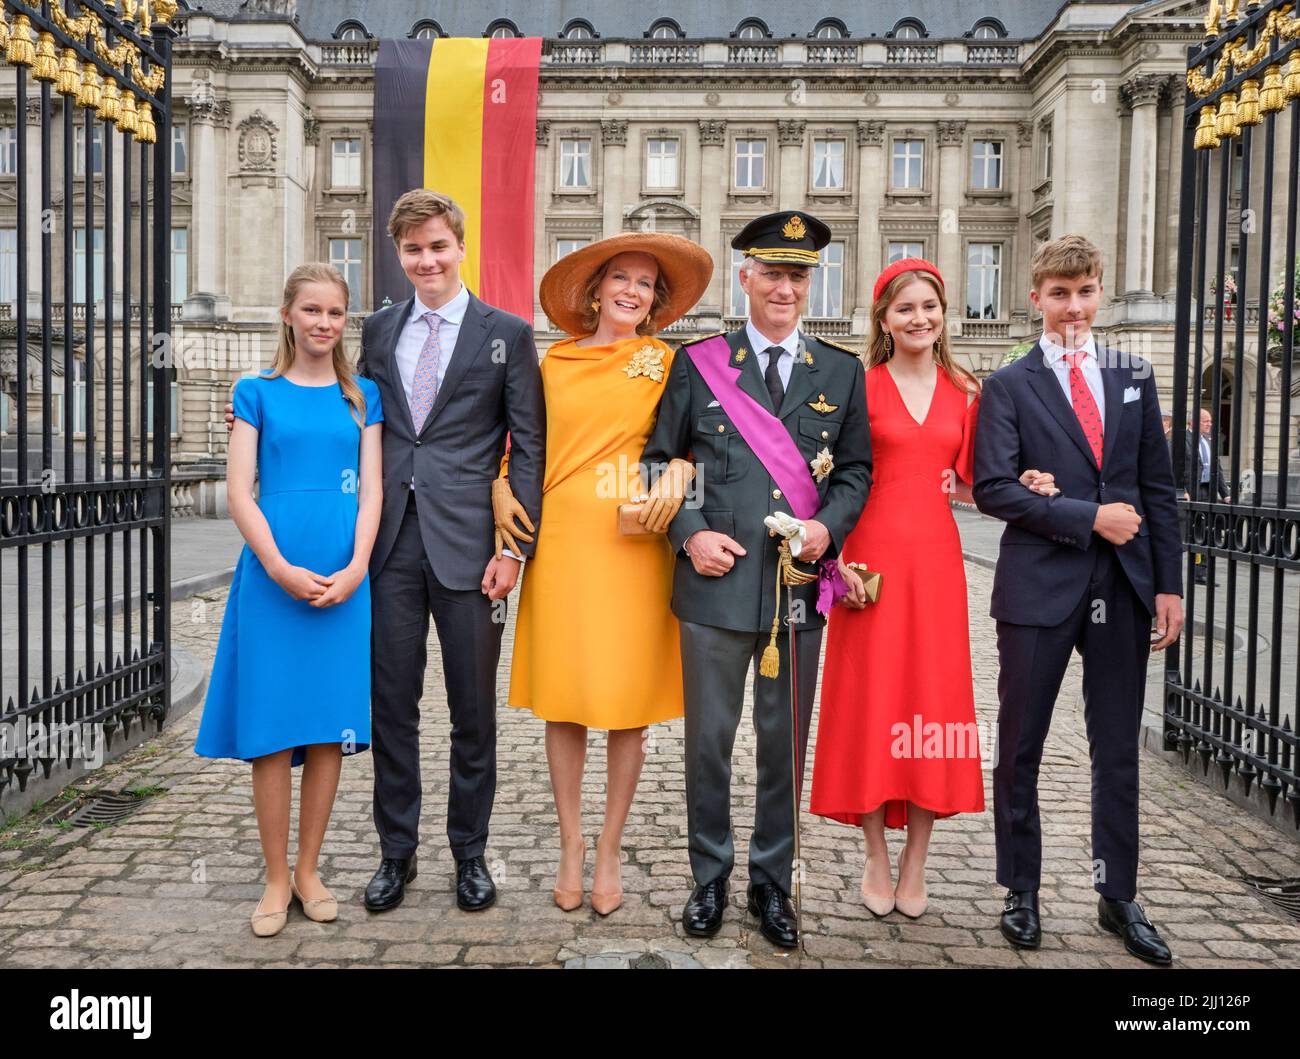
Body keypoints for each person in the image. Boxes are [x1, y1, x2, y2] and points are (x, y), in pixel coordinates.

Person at [224, 189, 546, 915]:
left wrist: (515, 550)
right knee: (390, 709)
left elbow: (527, 447)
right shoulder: (378, 330)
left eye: (437, 245)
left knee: (472, 711)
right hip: (389, 547)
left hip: (473, 551)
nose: (426, 259)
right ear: (398, 255)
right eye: (412, 249)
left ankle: (471, 854)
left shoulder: (508, 333)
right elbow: (342, 411)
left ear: (459, 246)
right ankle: (394, 853)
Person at [640, 211, 872, 949]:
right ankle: (709, 875)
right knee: (708, 743)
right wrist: (688, 532)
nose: (784, 286)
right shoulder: (699, 361)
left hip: (798, 588)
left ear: (813, 283)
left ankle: (772, 880)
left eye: (797, 274)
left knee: (783, 745)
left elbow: (859, 469)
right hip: (711, 589)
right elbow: (655, 462)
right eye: (771, 272)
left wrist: (827, 527)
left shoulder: (841, 371)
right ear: (745, 278)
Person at [810, 259, 1057, 918]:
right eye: (906, 309)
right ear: (884, 320)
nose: (920, 318)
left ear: (942, 313)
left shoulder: (966, 391)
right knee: (868, 702)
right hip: (868, 568)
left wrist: (1023, 483)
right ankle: (874, 855)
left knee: (930, 707)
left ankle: (916, 861)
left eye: (930, 307)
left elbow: (980, 481)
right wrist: (834, 568)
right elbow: (828, 487)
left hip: (937, 569)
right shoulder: (857, 388)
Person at [973, 234, 1184, 965]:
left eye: (1085, 291)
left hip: (1123, 586)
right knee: (1020, 745)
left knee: (1117, 748)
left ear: (1099, 292)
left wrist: (1168, 582)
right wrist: (1086, 517)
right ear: (1036, 298)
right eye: (1059, 293)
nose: (1073, 306)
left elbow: (1157, 487)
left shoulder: (1132, 374)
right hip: (1039, 583)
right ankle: (1021, 888)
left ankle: (1117, 892)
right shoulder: (1008, 385)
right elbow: (993, 486)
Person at [493, 233, 712, 915]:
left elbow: (696, 440)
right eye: (621, 277)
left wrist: (681, 475)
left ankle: (611, 845)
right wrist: (500, 485)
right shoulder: (550, 361)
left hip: (635, 544)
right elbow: (523, 441)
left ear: (655, 301)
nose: (632, 291)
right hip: (559, 540)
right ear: (595, 289)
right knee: (565, 698)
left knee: (627, 704)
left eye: (646, 284)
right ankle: (569, 842)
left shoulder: (668, 361)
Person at [198, 263, 384, 937]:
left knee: (328, 727)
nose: (323, 323)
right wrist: (275, 565)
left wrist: (359, 564)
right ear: (288, 314)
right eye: (311, 310)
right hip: (272, 580)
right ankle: (276, 876)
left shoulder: (363, 395)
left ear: (345, 321)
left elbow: (372, 490)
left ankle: (310, 868)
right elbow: (239, 490)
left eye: (335, 312)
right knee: (274, 732)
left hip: (343, 578)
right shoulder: (255, 392)